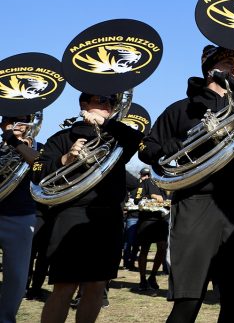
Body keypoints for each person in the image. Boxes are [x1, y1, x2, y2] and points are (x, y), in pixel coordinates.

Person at [138, 45, 234, 323]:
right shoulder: (180, 109)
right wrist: (185, 141)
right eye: (227, 62)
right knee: (188, 301)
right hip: (193, 203)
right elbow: (147, 149)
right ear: (209, 68)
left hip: (233, 206)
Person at [34, 93, 143, 323]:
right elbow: (37, 172)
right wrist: (65, 159)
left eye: (111, 103)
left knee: (96, 285)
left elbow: (138, 139)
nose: (108, 106)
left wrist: (107, 123)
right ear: (84, 105)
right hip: (70, 214)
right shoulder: (61, 137)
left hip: (108, 217)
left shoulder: (116, 138)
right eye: (101, 100)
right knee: (65, 286)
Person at [0, 115, 41, 323]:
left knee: (16, 276)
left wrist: (16, 143)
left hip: (20, 216)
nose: (16, 124)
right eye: (11, 120)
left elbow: (40, 166)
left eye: (22, 120)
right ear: (2, 123)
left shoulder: (39, 147)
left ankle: (6, 318)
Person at [132, 167, 169, 293]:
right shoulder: (145, 183)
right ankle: (142, 279)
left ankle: (152, 277)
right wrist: (151, 195)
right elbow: (137, 200)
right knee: (144, 250)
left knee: (162, 248)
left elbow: (168, 200)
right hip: (147, 220)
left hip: (161, 220)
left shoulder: (165, 184)